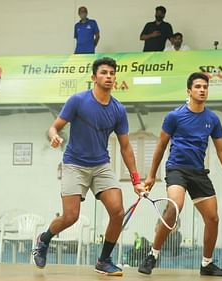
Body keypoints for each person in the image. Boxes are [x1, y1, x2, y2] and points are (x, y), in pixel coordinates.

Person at [32, 57, 145, 276]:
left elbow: (126, 147)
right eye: (104, 72)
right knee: (70, 216)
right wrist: (54, 137)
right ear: (94, 77)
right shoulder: (77, 101)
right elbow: (54, 128)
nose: (109, 76)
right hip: (74, 164)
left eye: (112, 73)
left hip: (101, 165)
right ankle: (44, 239)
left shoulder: (118, 110)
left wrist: (136, 181)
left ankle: (103, 261)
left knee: (117, 211)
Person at [138, 72, 222, 277]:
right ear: (189, 91)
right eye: (198, 86)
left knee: (213, 218)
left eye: (205, 87)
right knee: (175, 207)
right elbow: (161, 146)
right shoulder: (174, 116)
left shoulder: (212, 119)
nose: (202, 90)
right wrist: (151, 176)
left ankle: (206, 264)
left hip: (198, 173)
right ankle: (152, 255)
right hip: (176, 169)